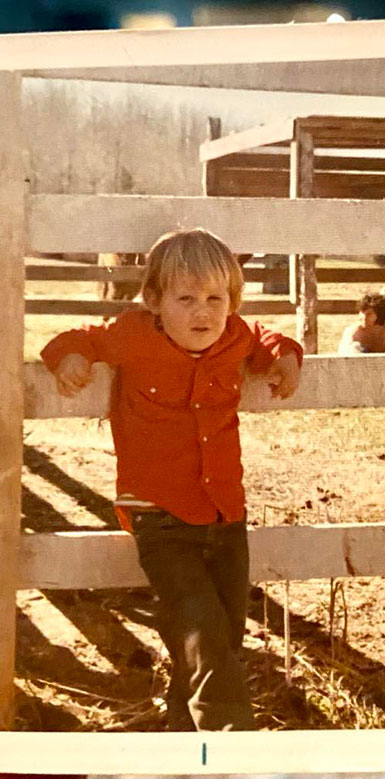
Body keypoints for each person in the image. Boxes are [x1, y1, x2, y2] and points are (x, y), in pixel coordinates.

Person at [41, 228, 303, 732]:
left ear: (232, 302)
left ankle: (183, 735)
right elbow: (81, 338)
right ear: (155, 301)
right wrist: (70, 358)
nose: (202, 312)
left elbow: (267, 337)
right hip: (159, 515)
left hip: (227, 514)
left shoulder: (234, 338)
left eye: (214, 298)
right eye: (186, 299)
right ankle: (232, 746)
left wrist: (285, 357)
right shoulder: (133, 335)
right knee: (199, 628)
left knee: (224, 635)